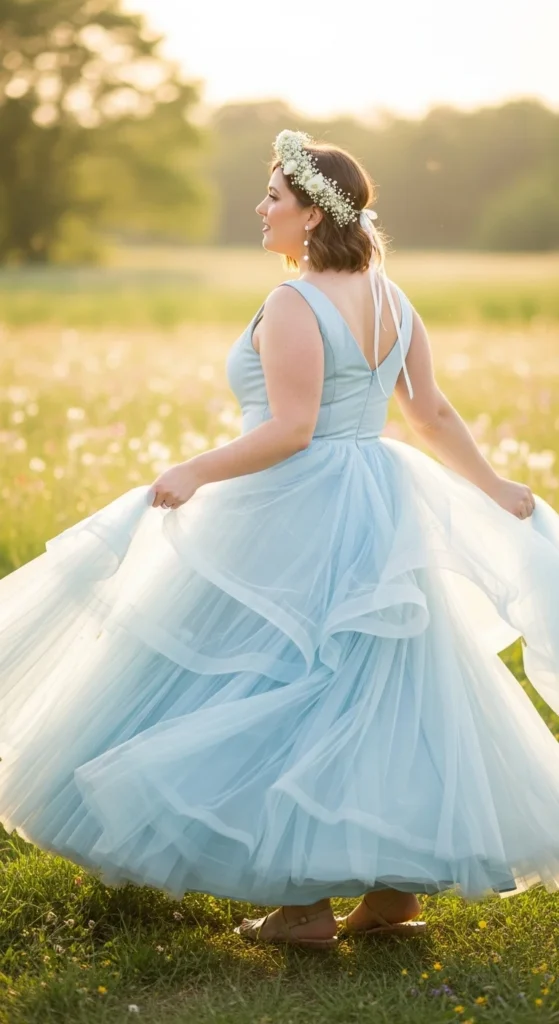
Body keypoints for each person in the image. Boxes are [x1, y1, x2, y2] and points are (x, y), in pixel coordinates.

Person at [2, 129, 559, 951]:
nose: (259, 209)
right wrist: (492, 483)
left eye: (273, 198)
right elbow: (428, 413)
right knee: (368, 689)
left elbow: (293, 429)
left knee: (281, 680)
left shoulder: (297, 302)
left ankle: (300, 906)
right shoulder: (389, 297)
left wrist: (194, 470)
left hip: (297, 503)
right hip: (376, 497)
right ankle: (390, 891)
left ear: (309, 216)